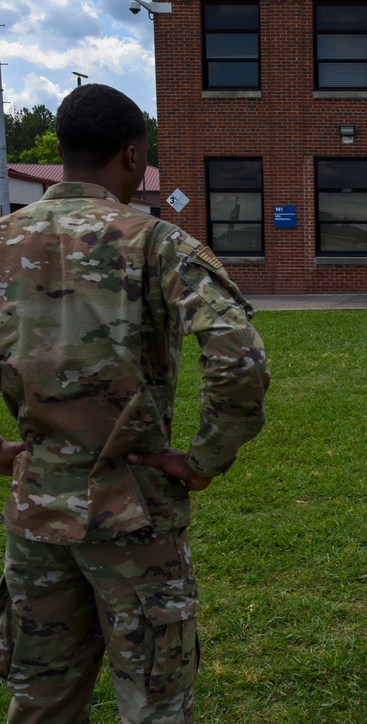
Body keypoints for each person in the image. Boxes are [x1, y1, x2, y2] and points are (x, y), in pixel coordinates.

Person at [0, 84, 270, 723]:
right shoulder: (155, 242)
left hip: (36, 514)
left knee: (40, 699)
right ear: (131, 155)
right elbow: (241, 358)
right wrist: (204, 459)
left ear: (62, 154)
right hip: (133, 515)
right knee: (152, 703)